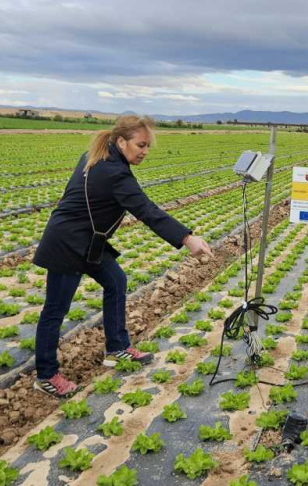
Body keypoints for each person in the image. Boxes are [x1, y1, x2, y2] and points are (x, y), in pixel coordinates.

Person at [31, 115, 213, 397]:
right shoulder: (114, 172)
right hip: (66, 243)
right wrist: (187, 238)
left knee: (116, 281)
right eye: (140, 145)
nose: (145, 151)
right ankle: (46, 375)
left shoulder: (102, 158)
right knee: (55, 310)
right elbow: (147, 211)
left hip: (88, 241)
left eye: (148, 146)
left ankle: (117, 348)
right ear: (121, 141)